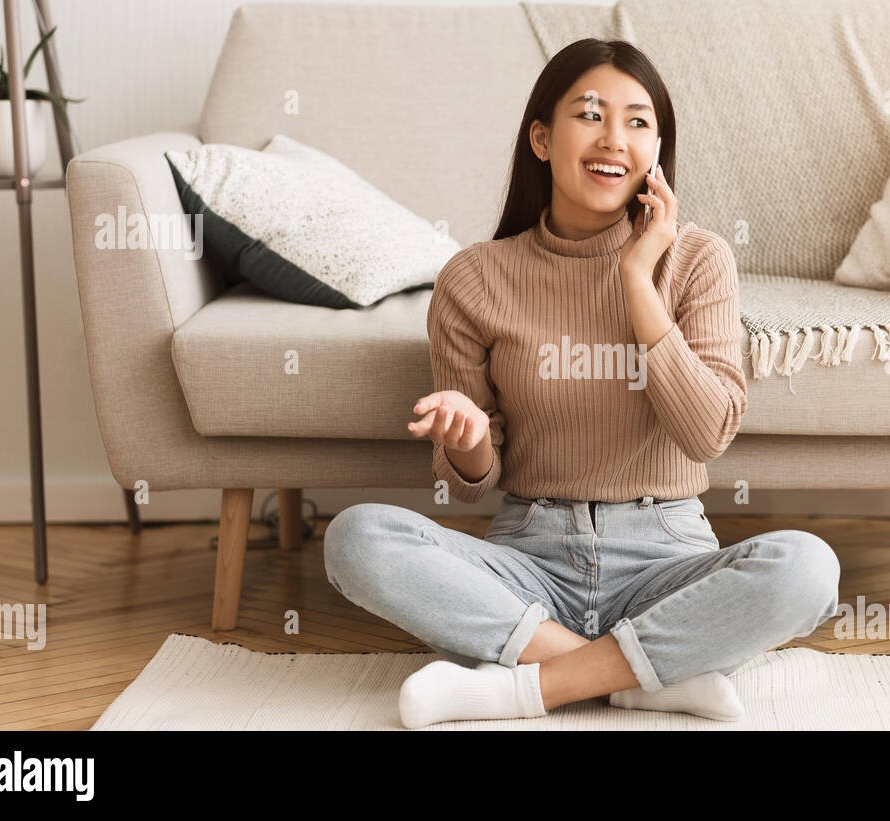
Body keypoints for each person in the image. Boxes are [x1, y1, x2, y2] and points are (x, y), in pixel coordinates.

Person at [323, 38, 841, 729]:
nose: (614, 139)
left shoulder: (697, 261)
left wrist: (637, 280)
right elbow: (474, 480)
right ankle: (640, 678)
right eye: (591, 115)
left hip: (667, 557)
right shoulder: (474, 278)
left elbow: (707, 430)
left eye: (637, 121)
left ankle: (525, 687)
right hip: (529, 561)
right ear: (541, 137)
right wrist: (471, 438)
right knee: (356, 538)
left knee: (808, 568)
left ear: (657, 150)